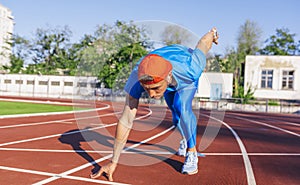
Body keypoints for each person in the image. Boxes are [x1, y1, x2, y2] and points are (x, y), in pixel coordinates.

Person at [91, 27, 219, 181]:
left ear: (168, 76)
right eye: (147, 89)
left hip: (184, 77)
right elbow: (126, 120)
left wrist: (212, 34)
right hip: (164, 73)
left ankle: (191, 152)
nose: (151, 95)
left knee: (182, 108)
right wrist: (113, 161)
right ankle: (184, 139)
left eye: (155, 89)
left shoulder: (192, 67)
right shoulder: (136, 78)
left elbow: (203, 43)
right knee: (175, 117)